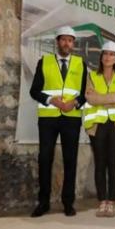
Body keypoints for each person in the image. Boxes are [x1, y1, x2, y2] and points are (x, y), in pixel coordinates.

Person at [29, 26, 87, 217]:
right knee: (45, 159)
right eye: (63, 40)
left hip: (71, 118)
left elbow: (86, 93)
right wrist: (51, 100)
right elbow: (34, 91)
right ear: (57, 42)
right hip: (48, 119)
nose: (66, 43)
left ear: (74, 44)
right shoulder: (44, 61)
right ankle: (43, 202)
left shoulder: (81, 64)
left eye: (70, 40)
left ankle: (68, 202)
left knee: (70, 160)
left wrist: (75, 103)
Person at [82, 41, 115, 218]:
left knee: (113, 162)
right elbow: (90, 99)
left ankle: (112, 202)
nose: (108, 57)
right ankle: (102, 202)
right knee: (100, 162)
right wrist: (111, 97)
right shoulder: (92, 76)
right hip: (97, 125)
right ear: (101, 57)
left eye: (112, 54)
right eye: (105, 54)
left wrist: (100, 97)